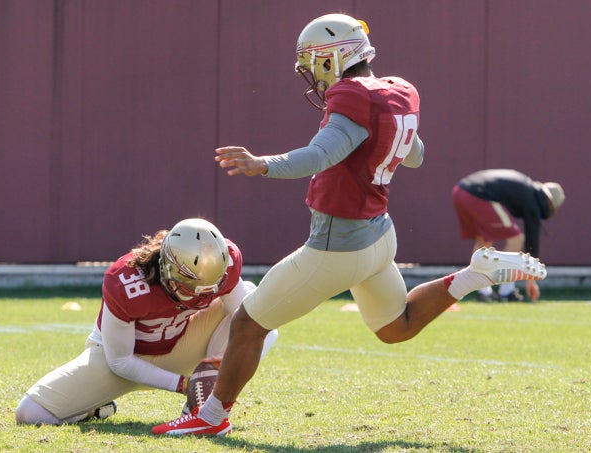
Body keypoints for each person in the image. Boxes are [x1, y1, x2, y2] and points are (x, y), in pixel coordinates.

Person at [152, 13, 546, 436]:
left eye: (316, 61)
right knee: (397, 327)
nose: (313, 74)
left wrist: (260, 164)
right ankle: (476, 273)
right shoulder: (396, 92)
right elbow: (416, 155)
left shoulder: (354, 97)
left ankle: (210, 418)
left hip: (338, 245)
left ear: (334, 57)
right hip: (379, 236)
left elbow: (320, 155)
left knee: (249, 323)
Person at [15, 218, 277, 425]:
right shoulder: (126, 281)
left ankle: (203, 405)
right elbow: (120, 361)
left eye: (209, 288)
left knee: (258, 319)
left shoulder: (225, 262)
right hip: (119, 358)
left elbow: (247, 323)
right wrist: (183, 384)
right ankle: (97, 408)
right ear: (166, 268)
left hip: (180, 344)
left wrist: (214, 380)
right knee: (30, 413)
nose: (201, 295)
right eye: (189, 287)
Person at [452, 169, 565, 302]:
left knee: (484, 243)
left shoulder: (525, 188)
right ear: (549, 203)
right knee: (516, 239)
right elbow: (532, 240)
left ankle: (483, 291)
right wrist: (531, 279)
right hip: (478, 195)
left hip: (460, 192)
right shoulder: (533, 199)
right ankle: (507, 291)